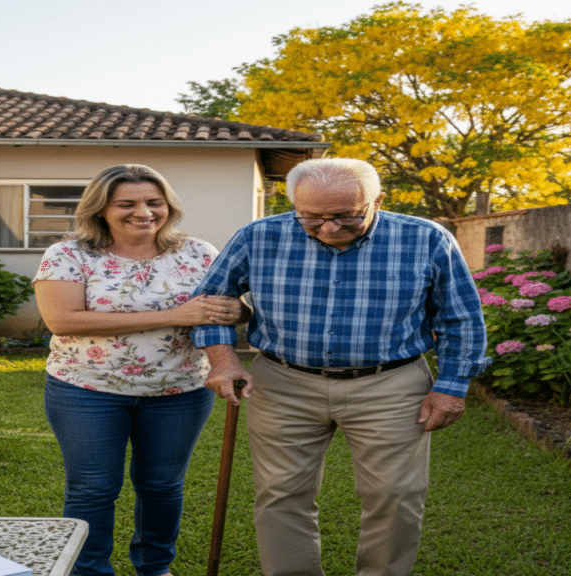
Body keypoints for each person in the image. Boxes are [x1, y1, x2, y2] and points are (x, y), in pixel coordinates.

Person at [190, 158, 491, 576]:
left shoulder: (426, 238)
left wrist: (451, 387)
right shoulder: (257, 236)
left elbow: (460, 318)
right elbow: (210, 304)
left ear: (377, 201)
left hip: (390, 382)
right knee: (281, 494)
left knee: (395, 494)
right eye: (312, 217)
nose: (330, 228)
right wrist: (223, 361)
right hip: (282, 381)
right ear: (293, 203)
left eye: (346, 216)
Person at [33, 164, 246, 576]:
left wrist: (235, 310)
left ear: (169, 205)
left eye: (154, 202)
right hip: (86, 389)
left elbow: (230, 309)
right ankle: (89, 572)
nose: (144, 213)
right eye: (126, 204)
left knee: (162, 486)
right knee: (92, 488)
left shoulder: (198, 252)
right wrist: (173, 315)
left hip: (179, 390)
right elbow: (63, 320)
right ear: (100, 209)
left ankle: (155, 568)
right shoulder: (69, 254)